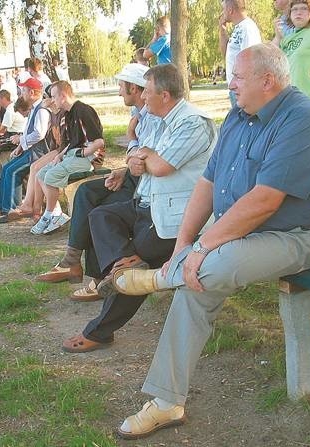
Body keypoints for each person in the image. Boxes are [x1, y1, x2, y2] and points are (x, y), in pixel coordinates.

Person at [108, 44, 310, 440]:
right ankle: (167, 401)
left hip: (300, 236)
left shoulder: (303, 119)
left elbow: (264, 201)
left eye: (237, 76)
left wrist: (201, 248)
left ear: (267, 81)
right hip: (241, 234)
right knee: (195, 281)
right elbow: (207, 183)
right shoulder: (240, 116)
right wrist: (181, 247)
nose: (230, 83)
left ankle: (155, 280)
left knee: (213, 264)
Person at [57, 63, 217, 354]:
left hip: (178, 219)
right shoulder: (161, 118)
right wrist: (137, 157)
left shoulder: (192, 123)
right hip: (152, 205)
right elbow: (139, 161)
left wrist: (143, 155)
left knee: (139, 257)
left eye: (148, 93)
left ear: (165, 95)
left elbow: (160, 166)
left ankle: (100, 329)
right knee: (101, 215)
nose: (143, 98)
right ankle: (122, 265)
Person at [36, 63, 157, 300]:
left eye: (121, 86)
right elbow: (140, 159)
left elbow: (146, 157)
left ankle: (95, 278)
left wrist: (131, 141)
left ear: (134, 87)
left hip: (147, 186)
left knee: (99, 209)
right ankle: (73, 262)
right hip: (136, 177)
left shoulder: (151, 117)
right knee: (86, 193)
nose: (119, 91)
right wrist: (124, 169)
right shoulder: (139, 115)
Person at [31, 81, 105, 235]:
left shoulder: (84, 111)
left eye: (53, 97)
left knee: (51, 175)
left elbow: (98, 142)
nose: (52, 100)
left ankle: (50, 214)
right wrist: (60, 154)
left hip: (89, 159)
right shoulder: (68, 114)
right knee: (41, 174)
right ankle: (55, 214)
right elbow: (72, 142)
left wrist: (82, 153)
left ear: (63, 96)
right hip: (74, 155)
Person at [0, 79, 53, 217]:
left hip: (39, 153)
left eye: (23, 90)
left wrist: (21, 140)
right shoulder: (35, 108)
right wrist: (20, 146)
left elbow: (39, 134)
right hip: (32, 150)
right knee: (6, 168)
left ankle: (11, 208)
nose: (21, 93)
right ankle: (2, 205)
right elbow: (30, 131)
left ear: (31, 92)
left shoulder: (41, 109)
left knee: (13, 172)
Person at [219, 0, 261, 106]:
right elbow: (226, 55)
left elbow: (250, 59)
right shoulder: (238, 28)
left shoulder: (247, 28)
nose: (222, 13)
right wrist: (223, 32)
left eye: (223, 10)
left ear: (230, 10)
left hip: (244, 89)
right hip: (236, 87)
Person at [278, 0, 310, 102]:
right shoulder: (288, 38)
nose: (298, 12)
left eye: (304, 8)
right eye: (294, 9)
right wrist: (278, 36)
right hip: (291, 101)